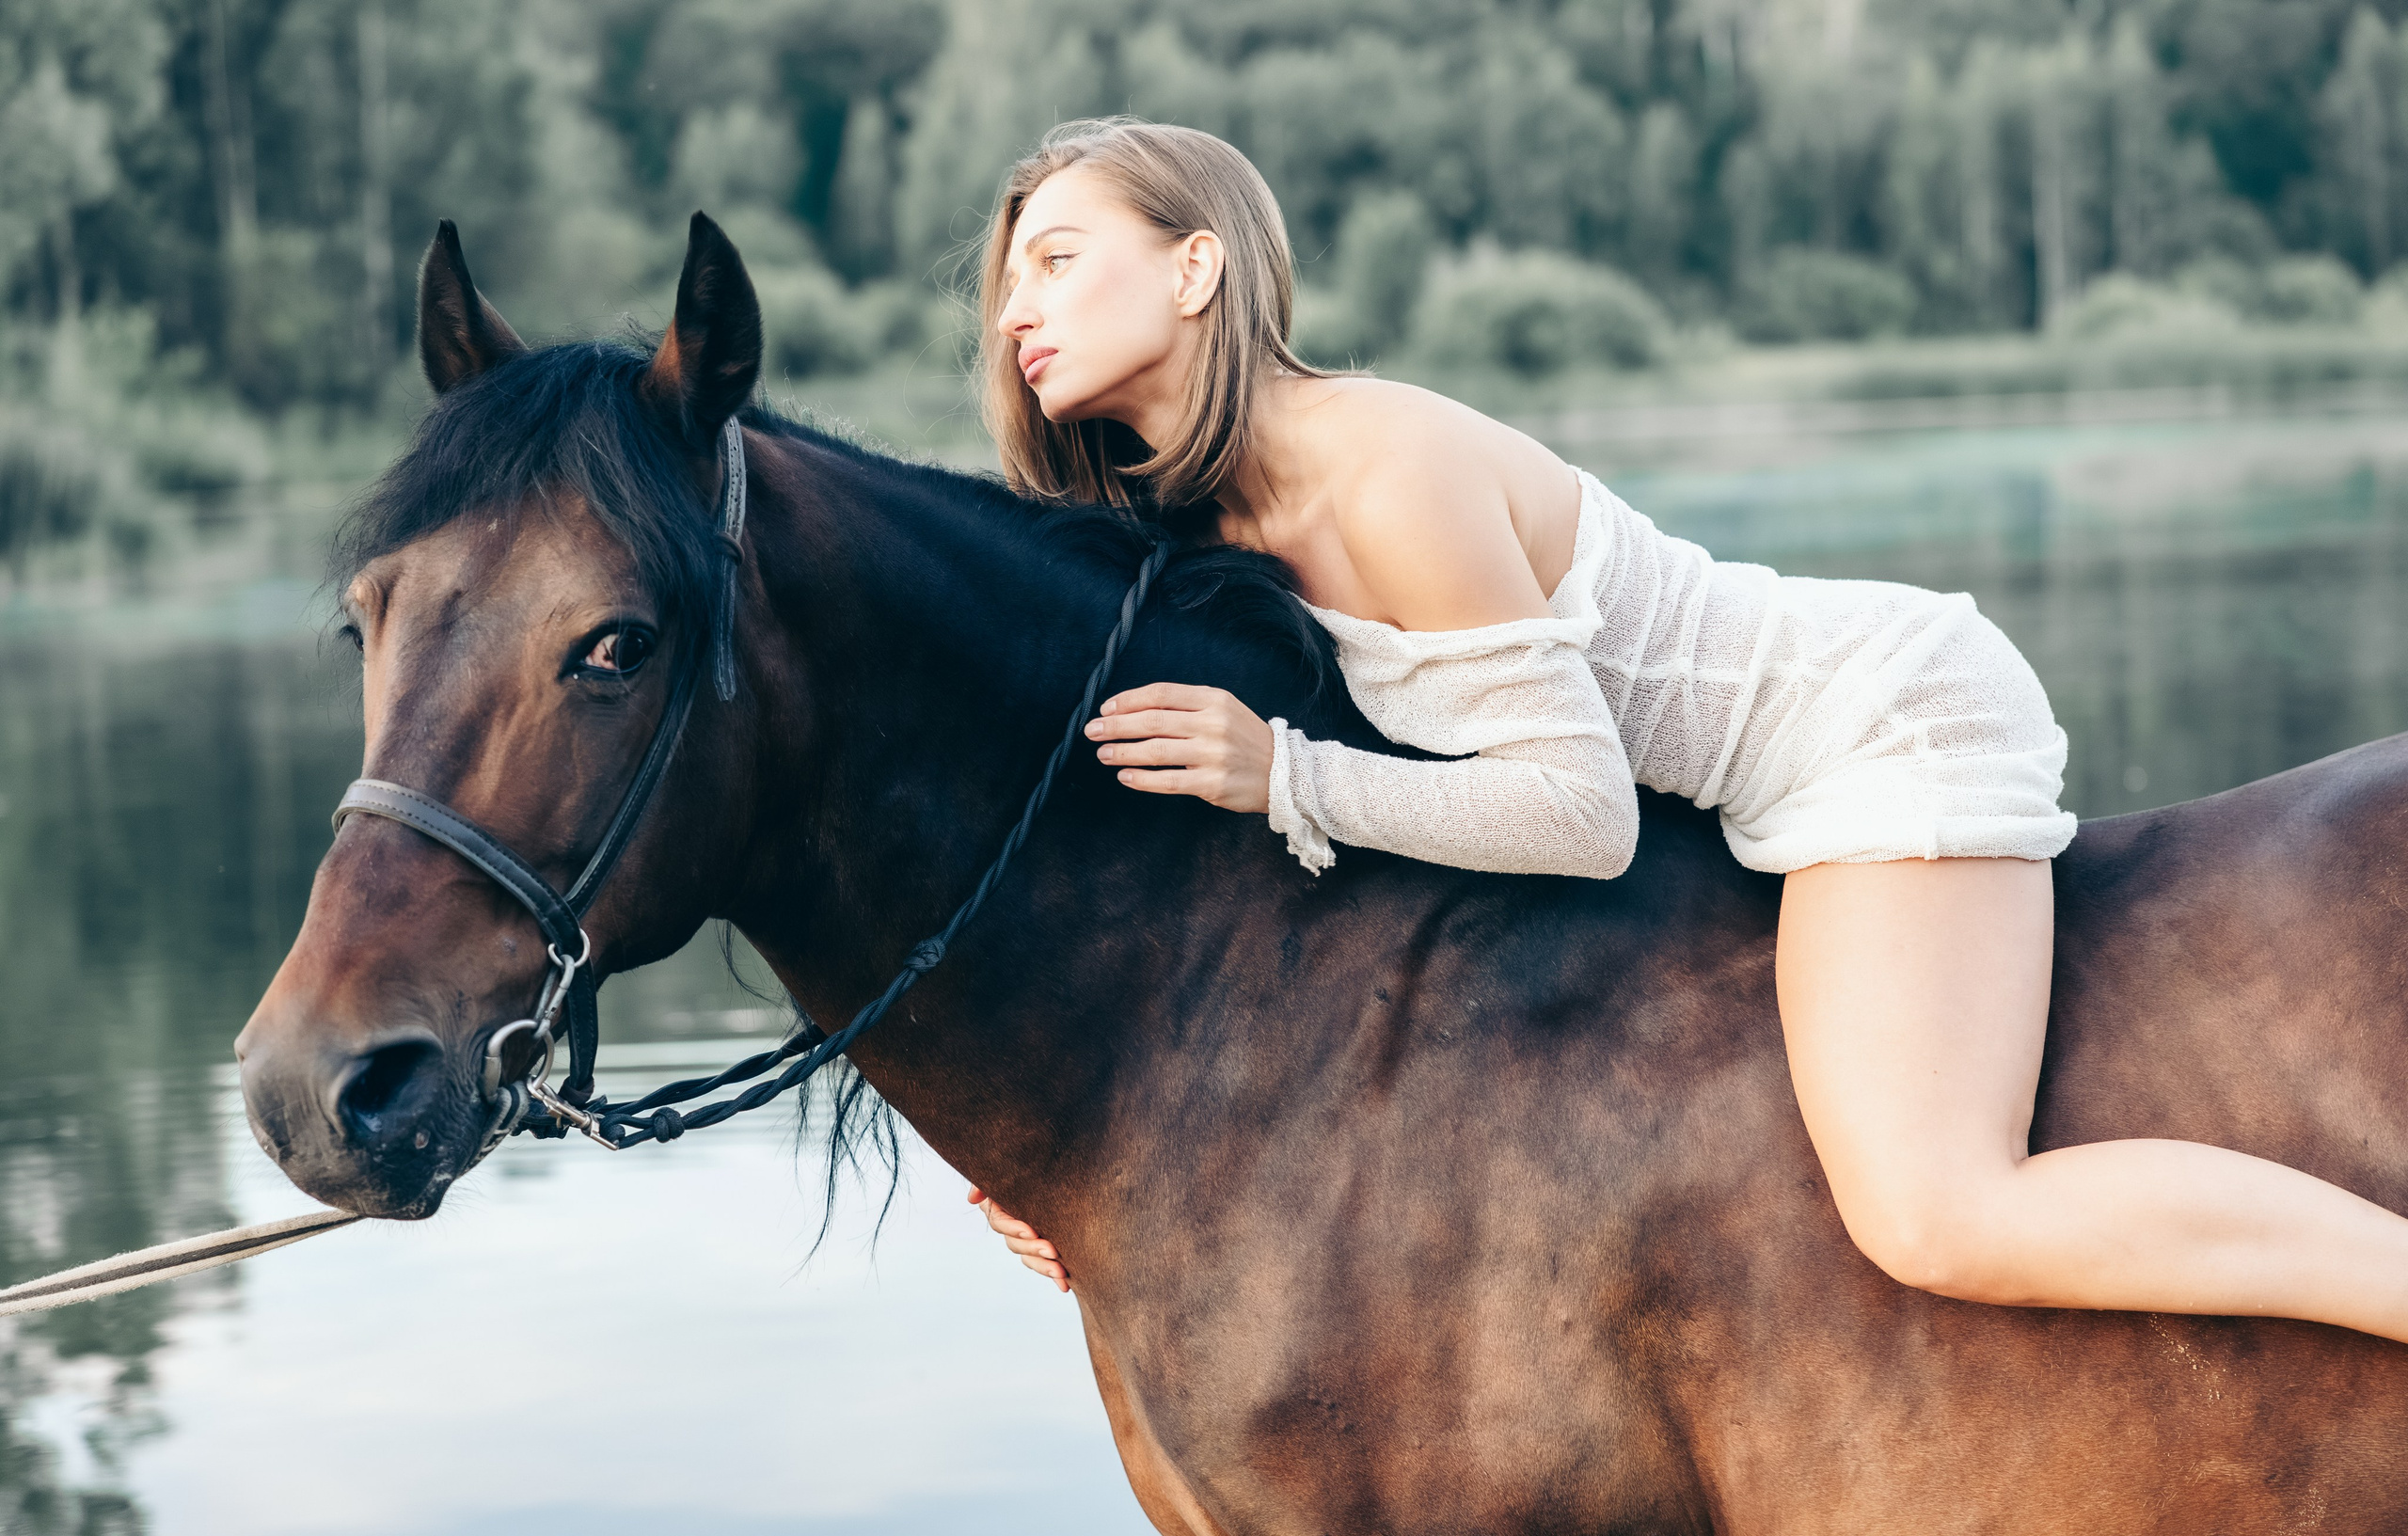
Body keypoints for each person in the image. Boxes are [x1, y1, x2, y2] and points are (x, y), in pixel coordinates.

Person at [962, 117, 2408, 1342]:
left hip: (1868, 718)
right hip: (1727, 802)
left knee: (1941, 1212)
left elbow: (1578, 815)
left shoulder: (1382, 473)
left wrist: (1288, 773)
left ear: (1196, 264)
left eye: (1058, 260)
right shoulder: (1188, 525)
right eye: (1006, 283)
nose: (1015, 309)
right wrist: (1038, 1142)